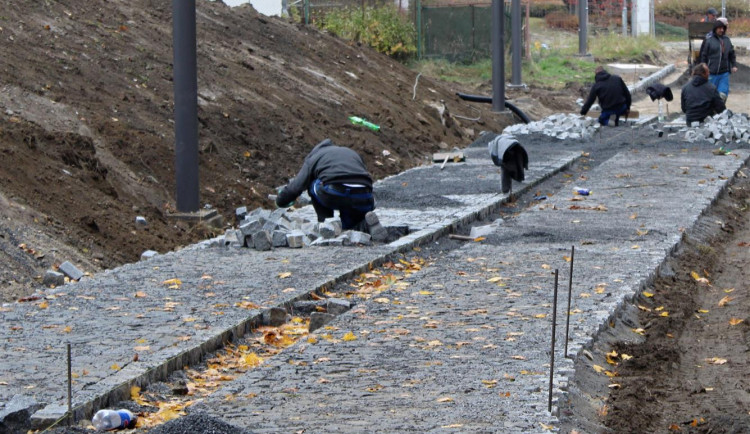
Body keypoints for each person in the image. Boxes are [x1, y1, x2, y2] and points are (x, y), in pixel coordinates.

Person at [275, 138, 376, 231]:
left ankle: (326, 225)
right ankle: (358, 226)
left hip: (336, 193)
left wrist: (280, 201)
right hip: (365, 196)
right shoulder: (351, 152)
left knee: (313, 183)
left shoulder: (314, 157)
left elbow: (296, 187)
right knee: (351, 223)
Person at [699, 18, 737, 101]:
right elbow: (703, 55)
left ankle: (720, 111)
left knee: (723, 94)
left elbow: (731, 53)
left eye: (723, 28)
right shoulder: (709, 40)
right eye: (720, 28)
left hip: (724, 73)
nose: (721, 30)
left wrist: (734, 65)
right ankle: (711, 112)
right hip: (711, 73)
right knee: (710, 95)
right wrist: (703, 67)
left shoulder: (727, 40)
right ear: (715, 28)